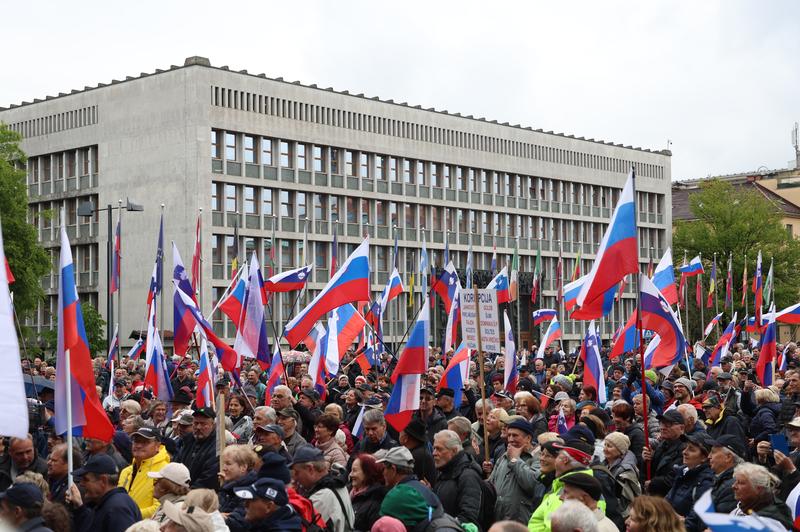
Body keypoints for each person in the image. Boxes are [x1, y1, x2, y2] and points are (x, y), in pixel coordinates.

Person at [65, 455, 142, 532]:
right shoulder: (106, 503)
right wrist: (79, 507)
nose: (81, 483)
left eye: (86, 479)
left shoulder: (117, 509)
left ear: (103, 481)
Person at [684, 434, 745, 532]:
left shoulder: (733, 486)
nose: (709, 456)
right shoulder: (719, 480)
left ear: (728, 457)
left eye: (713, 452)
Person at [489, 418, 543, 524]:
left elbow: (532, 484)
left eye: (515, 435)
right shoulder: (503, 457)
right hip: (498, 519)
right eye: (509, 435)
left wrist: (515, 460)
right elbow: (492, 482)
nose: (510, 439)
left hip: (519, 522)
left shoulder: (538, 458)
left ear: (528, 438)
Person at [289, 446, 354, 532]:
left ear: (310, 469)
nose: (295, 478)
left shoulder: (320, 498)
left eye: (297, 472)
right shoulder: (339, 486)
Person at [432, 429, 483, 528]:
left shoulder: (468, 476)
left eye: (439, 449)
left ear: (454, 450)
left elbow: (469, 517)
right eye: (434, 448)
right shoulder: (443, 471)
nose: (434, 453)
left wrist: (444, 527)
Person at [118, 426, 170, 518]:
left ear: (157, 446)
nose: (138, 445)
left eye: (145, 442)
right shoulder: (126, 471)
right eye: (136, 441)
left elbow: (160, 508)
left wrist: (128, 515)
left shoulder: (165, 471)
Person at [665, 432, 714, 519]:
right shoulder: (682, 472)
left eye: (691, 449)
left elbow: (694, 521)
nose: (684, 452)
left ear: (704, 457)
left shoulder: (706, 482)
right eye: (685, 447)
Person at [731, 463, 793, 529]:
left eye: (740, 482)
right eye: (735, 482)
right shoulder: (745, 507)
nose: (733, 486)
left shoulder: (769, 521)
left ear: (758, 489)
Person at [641, 409, 685, 496]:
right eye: (661, 423)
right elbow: (651, 471)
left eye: (668, 424)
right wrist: (646, 460)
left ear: (681, 428)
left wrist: (653, 483)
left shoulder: (685, 449)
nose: (663, 427)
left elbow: (674, 479)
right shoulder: (662, 444)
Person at [174, 407, 219, 490]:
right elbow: (177, 464)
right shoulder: (188, 441)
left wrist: (188, 493)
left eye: (203, 424)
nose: (198, 427)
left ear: (213, 425)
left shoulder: (217, 447)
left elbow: (208, 479)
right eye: (196, 423)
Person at [233, 477, 301, 531]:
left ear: (268, 507)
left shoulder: (279, 528)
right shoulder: (263, 524)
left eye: (251, 500)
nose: (245, 504)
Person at [600, 432, 640, 518]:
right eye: (605, 445)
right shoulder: (605, 463)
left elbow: (626, 502)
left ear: (620, 450)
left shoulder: (625, 471)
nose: (605, 449)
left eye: (609, 446)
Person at [217, 445, 259, 517]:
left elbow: (239, 520)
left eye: (228, 464)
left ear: (243, 467)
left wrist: (217, 517)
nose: (224, 468)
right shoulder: (227, 486)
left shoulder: (250, 490)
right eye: (224, 463)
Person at [349, 453, 387, 532]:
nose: (350, 474)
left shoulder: (377, 500)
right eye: (351, 470)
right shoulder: (347, 491)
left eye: (354, 470)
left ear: (367, 472)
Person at [399, 418, 437, 487]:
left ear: (406, 438)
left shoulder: (416, 456)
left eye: (401, 431)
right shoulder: (420, 451)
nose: (399, 433)